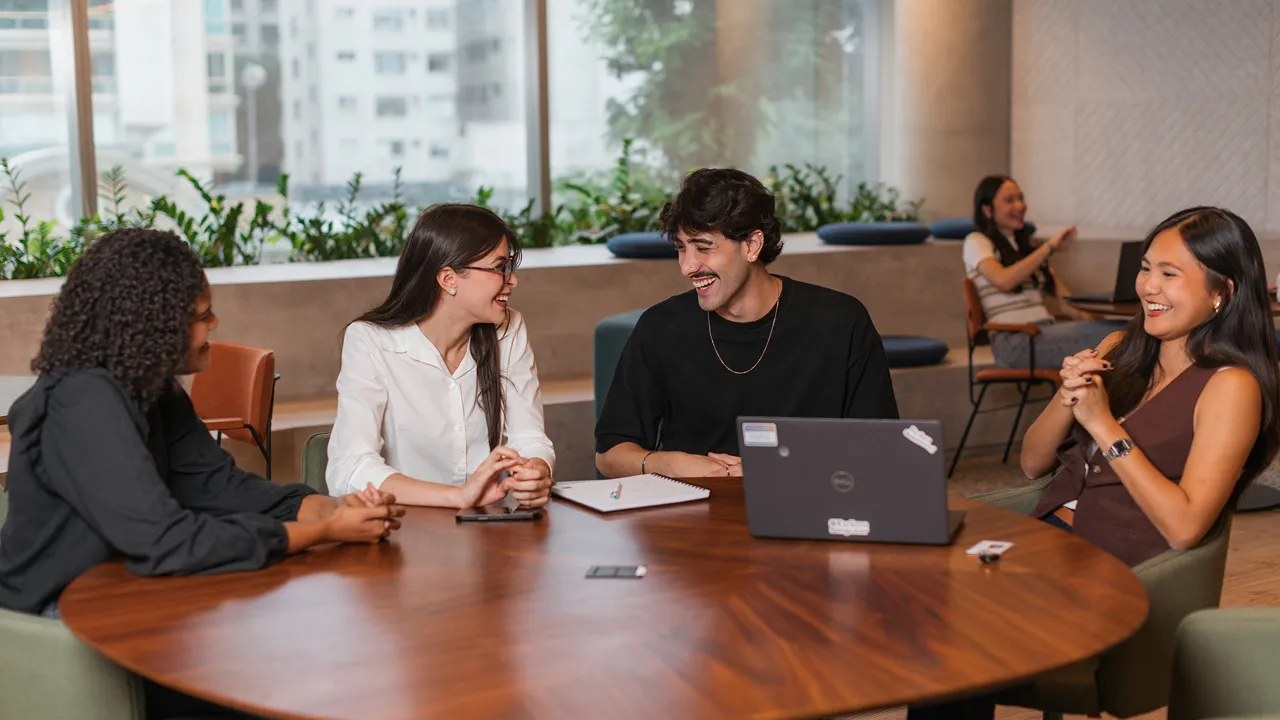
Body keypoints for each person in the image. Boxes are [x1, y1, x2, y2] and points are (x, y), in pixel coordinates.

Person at [0, 229, 403, 718]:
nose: (215, 323)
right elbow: (165, 542)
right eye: (199, 316)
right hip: (57, 622)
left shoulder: (152, 389)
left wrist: (326, 506)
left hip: (133, 595)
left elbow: (219, 485)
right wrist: (316, 531)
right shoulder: (83, 401)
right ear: (151, 325)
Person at [909, 207, 1280, 720]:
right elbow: (1033, 463)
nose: (1149, 285)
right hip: (1041, 550)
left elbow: (1185, 528)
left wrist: (1106, 426)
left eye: (1170, 275)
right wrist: (1066, 397)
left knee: (954, 638)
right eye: (1147, 267)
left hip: (1117, 577)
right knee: (924, 607)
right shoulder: (1120, 349)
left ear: (1223, 292)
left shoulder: (1230, 388)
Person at [594, 168, 899, 479]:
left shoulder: (841, 322)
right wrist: (671, 465)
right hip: (691, 515)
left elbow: (881, 449)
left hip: (806, 510)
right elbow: (608, 455)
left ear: (752, 245)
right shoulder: (661, 328)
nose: (687, 266)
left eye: (703, 247)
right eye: (681, 248)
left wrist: (773, 470)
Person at [326, 204, 555, 508]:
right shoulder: (371, 340)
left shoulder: (509, 330)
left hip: (493, 530)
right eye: (499, 267)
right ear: (449, 279)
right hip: (405, 532)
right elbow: (350, 467)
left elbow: (528, 436)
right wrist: (458, 497)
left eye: (509, 265)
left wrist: (535, 471)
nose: (512, 280)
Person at [964, 175, 1125, 369]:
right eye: (1010, 201)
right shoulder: (976, 241)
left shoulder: (1026, 251)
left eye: (1021, 198)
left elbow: (1066, 303)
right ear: (987, 210)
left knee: (1120, 330)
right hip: (1014, 341)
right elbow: (1003, 281)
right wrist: (1048, 248)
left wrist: (1095, 320)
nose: (1020, 206)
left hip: (1043, 332)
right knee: (1116, 336)